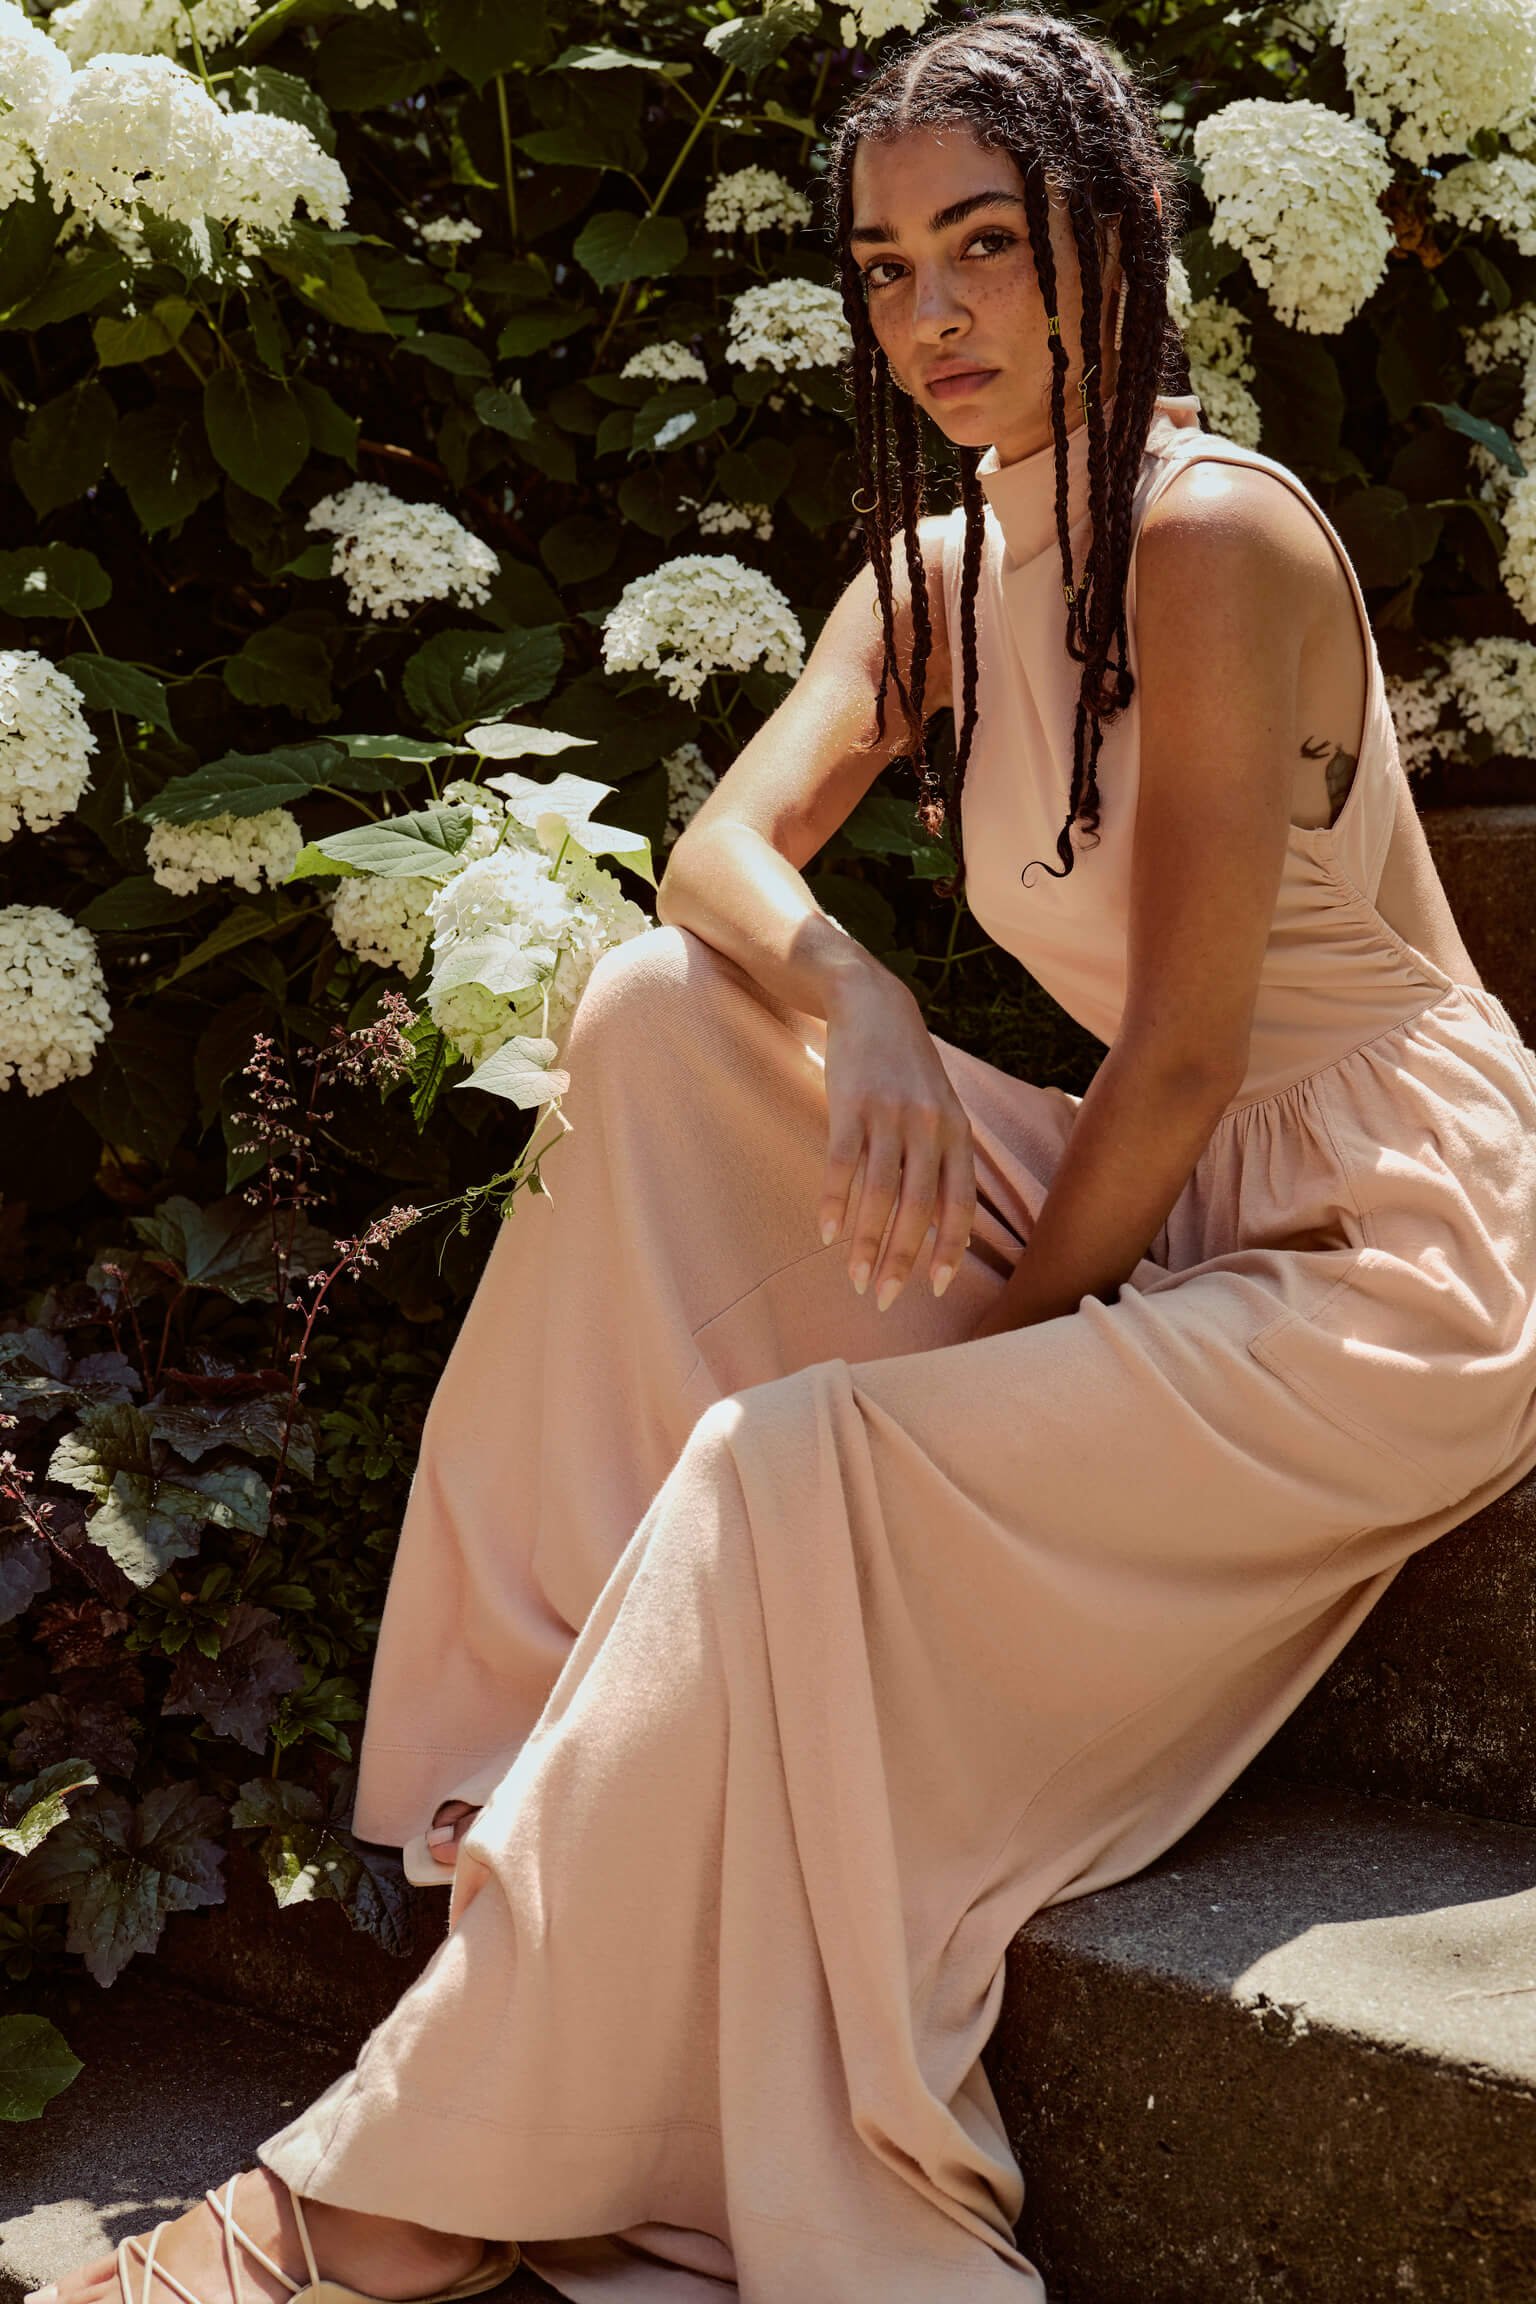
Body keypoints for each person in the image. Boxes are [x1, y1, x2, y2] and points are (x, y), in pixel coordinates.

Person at [36, 10, 1536, 2304]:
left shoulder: (1214, 541)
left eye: (985, 253)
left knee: (783, 1471)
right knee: (658, 1017)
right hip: (1176, 1209)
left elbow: (1188, 1055)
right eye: (883, 270)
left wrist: (982, 1368)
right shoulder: (946, 567)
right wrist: (866, 996)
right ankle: (546, 1767)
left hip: (1382, 1253)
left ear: (1111, 250)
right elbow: (719, 858)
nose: (930, 317)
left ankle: (378, 2212)